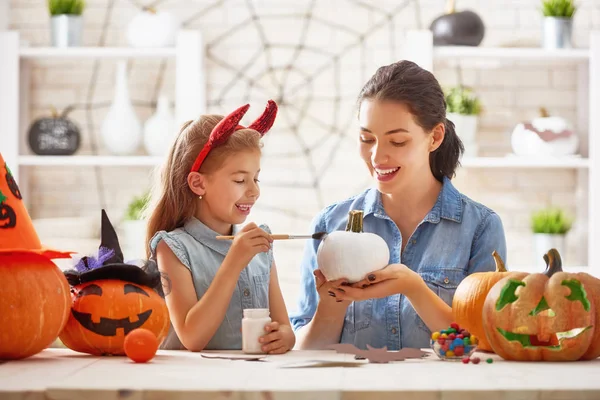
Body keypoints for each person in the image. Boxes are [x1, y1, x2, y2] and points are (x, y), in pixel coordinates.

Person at [290, 60, 507, 350]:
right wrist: (334, 302)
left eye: (398, 141)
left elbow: (483, 344)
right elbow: (304, 352)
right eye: (367, 139)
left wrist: (414, 289)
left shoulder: (480, 228)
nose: (377, 157)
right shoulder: (330, 225)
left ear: (435, 137)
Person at [146, 101, 295, 353]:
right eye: (240, 180)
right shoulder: (172, 247)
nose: (254, 190)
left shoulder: (260, 246)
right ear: (198, 183)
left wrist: (284, 337)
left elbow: (284, 327)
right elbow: (192, 338)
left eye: (255, 178)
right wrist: (234, 262)